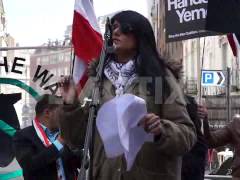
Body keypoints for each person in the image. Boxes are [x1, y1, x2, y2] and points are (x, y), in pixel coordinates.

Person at [58, 10, 196, 180]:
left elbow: (187, 135)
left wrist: (161, 129)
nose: (116, 32)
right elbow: (77, 139)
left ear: (139, 34)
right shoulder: (98, 80)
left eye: (124, 28)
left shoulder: (161, 77)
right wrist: (70, 104)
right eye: (113, 28)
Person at [13, 94, 80, 180]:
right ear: (47, 113)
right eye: (62, 111)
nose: (65, 116)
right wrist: (59, 142)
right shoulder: (22, 136)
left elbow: (79, 162)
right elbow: (29, 165)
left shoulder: (63, 134)